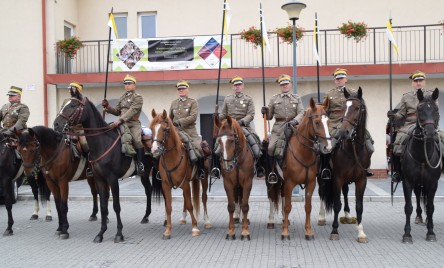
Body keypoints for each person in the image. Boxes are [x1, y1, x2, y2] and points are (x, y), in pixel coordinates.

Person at [319, 68, 374, 180]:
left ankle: (366, 167)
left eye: (341, 78)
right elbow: (325, 110)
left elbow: (359, 109)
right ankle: (325, 169)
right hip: (334, 123)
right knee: (327, 147)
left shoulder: (353, 92)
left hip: (351, 123)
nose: (339, 80)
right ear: (335, 80)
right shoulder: (329, 94)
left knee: (369, 145)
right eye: (337, 79)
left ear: (346, 79)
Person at [387, 70, 437, 182]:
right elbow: (402, 114)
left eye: (421, 80)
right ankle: (397, 171)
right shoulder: (406, 97)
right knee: (397, 144)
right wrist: (393, 115)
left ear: (424, 82)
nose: (418, 83)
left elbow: (435, 112)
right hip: (409, 125)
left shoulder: (431, 95)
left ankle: (438, 167)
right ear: (412, 83)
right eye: (416, 81)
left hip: (427, 124)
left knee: (441, 141)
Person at [261, 74, 304, 182]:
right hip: (278, 128)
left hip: (294, 127)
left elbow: (301, 112)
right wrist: (265, 111)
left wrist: (295, 121)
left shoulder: (296, 98)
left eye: (286, 84)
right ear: (280, 86)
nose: (284, 86)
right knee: (270, 148)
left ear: (290, 85)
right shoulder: (274, 98)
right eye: (282, 84)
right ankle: (272, 171)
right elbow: (269, 117)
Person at [218, 76, 263, 177]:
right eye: (235, 85)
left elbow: (251, 114)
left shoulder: (248, 99)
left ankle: (259, 167)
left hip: (244, 126)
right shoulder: (227, 99)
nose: (237, 87)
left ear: (243, 86)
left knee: (256, 143)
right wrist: (218, 116)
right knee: (217, 147)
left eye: (239, 85)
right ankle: (216, 168)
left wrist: (242, 121)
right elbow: (224, 114)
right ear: (232, 87)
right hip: (229, 127)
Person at [102, 74, 145, 176]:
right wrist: (108, 106)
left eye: (129, 83)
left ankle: (140, 163)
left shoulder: (138, 97)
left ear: (134, 85)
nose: (127, 85)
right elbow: (117, 111)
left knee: (137, 140)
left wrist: (120, 120)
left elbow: (132, 110)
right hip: (121, 123)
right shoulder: (122, 97)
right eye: (125, 84)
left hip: (133, 124)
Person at [169, 80, 205, 179]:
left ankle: (200, 171)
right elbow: (170, 118)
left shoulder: (193, 102)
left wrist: (179, 122)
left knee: (199, 149)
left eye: (183, 88)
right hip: (176, 131)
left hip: (190, 131)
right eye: (179, 89)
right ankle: (161, 171)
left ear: (187, 89)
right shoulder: (173, 103)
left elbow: (193, 117)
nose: (181, 90)